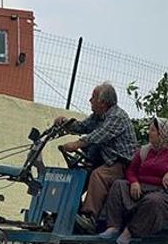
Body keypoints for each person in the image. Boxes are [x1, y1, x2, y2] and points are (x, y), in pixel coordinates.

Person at [55, 82, 137, 233]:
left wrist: (77, 144)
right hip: (105, 161)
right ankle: (64, 211)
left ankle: (90, 218)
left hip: (121, 164)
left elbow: (99, 135)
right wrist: (65, 123)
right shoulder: (98, 116)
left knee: (98, 175)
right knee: (79, 173)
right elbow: (82, 127)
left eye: (93, 97)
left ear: (103, 102)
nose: (90, 100)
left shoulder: (117, 116)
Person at [100, 117, 168, 244]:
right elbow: (131, 170)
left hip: (165, 194)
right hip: (141, 188)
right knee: (118, 185)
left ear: (162, 133)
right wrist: (134, 182)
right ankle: (113, 227)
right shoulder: (145, 150)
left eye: (153, 130)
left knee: (153, 201)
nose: (149, 132)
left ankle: (130, 231)